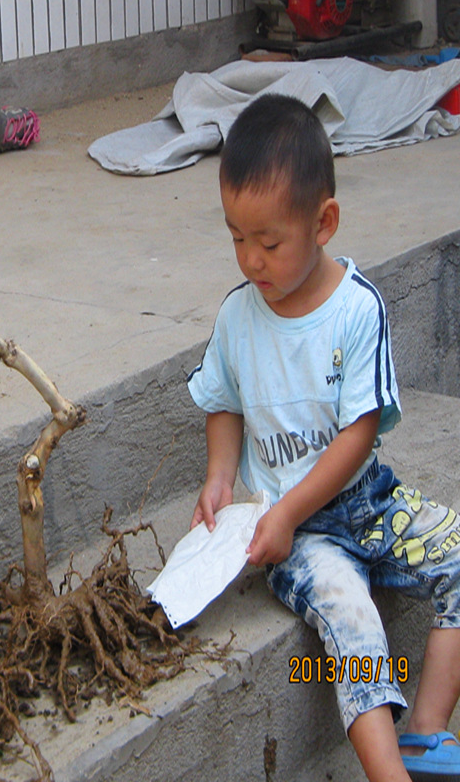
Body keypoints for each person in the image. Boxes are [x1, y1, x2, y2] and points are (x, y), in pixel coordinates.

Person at [187, 92, 460, 782]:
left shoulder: (356, 310)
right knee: (355, 622)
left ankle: (426, 733)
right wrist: (222, 477)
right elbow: (222, 401)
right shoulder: (237, 318)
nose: (251, 259)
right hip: (296, 537)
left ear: (324, 221)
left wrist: (288, 506)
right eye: (236, 237)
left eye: (269, 241)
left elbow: (359, 433)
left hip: (360, 499)